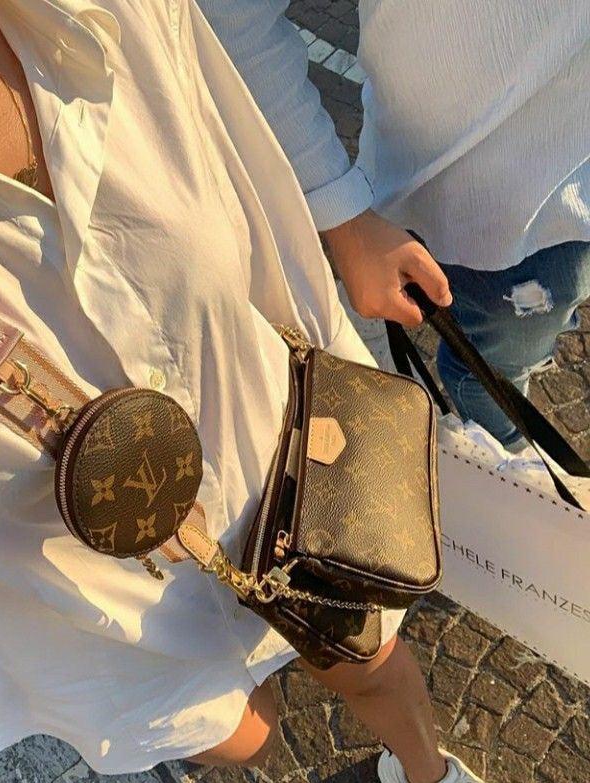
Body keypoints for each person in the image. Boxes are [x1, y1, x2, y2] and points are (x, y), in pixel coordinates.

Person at [0, 0, 550, 783]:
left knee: (377, 669)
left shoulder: (89, 16)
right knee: (248, 736)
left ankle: (428, 778)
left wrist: (345, 232)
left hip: (283, 463)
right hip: (114, 599)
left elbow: (251, 199)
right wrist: (108, 687)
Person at [200, 0, 590, 450]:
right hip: (405, 193)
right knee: (477, 375)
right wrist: (343, 218)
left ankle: (496, 452)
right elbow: (229, 12)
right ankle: (495, 450)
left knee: (500, 371)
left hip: (552, 223)